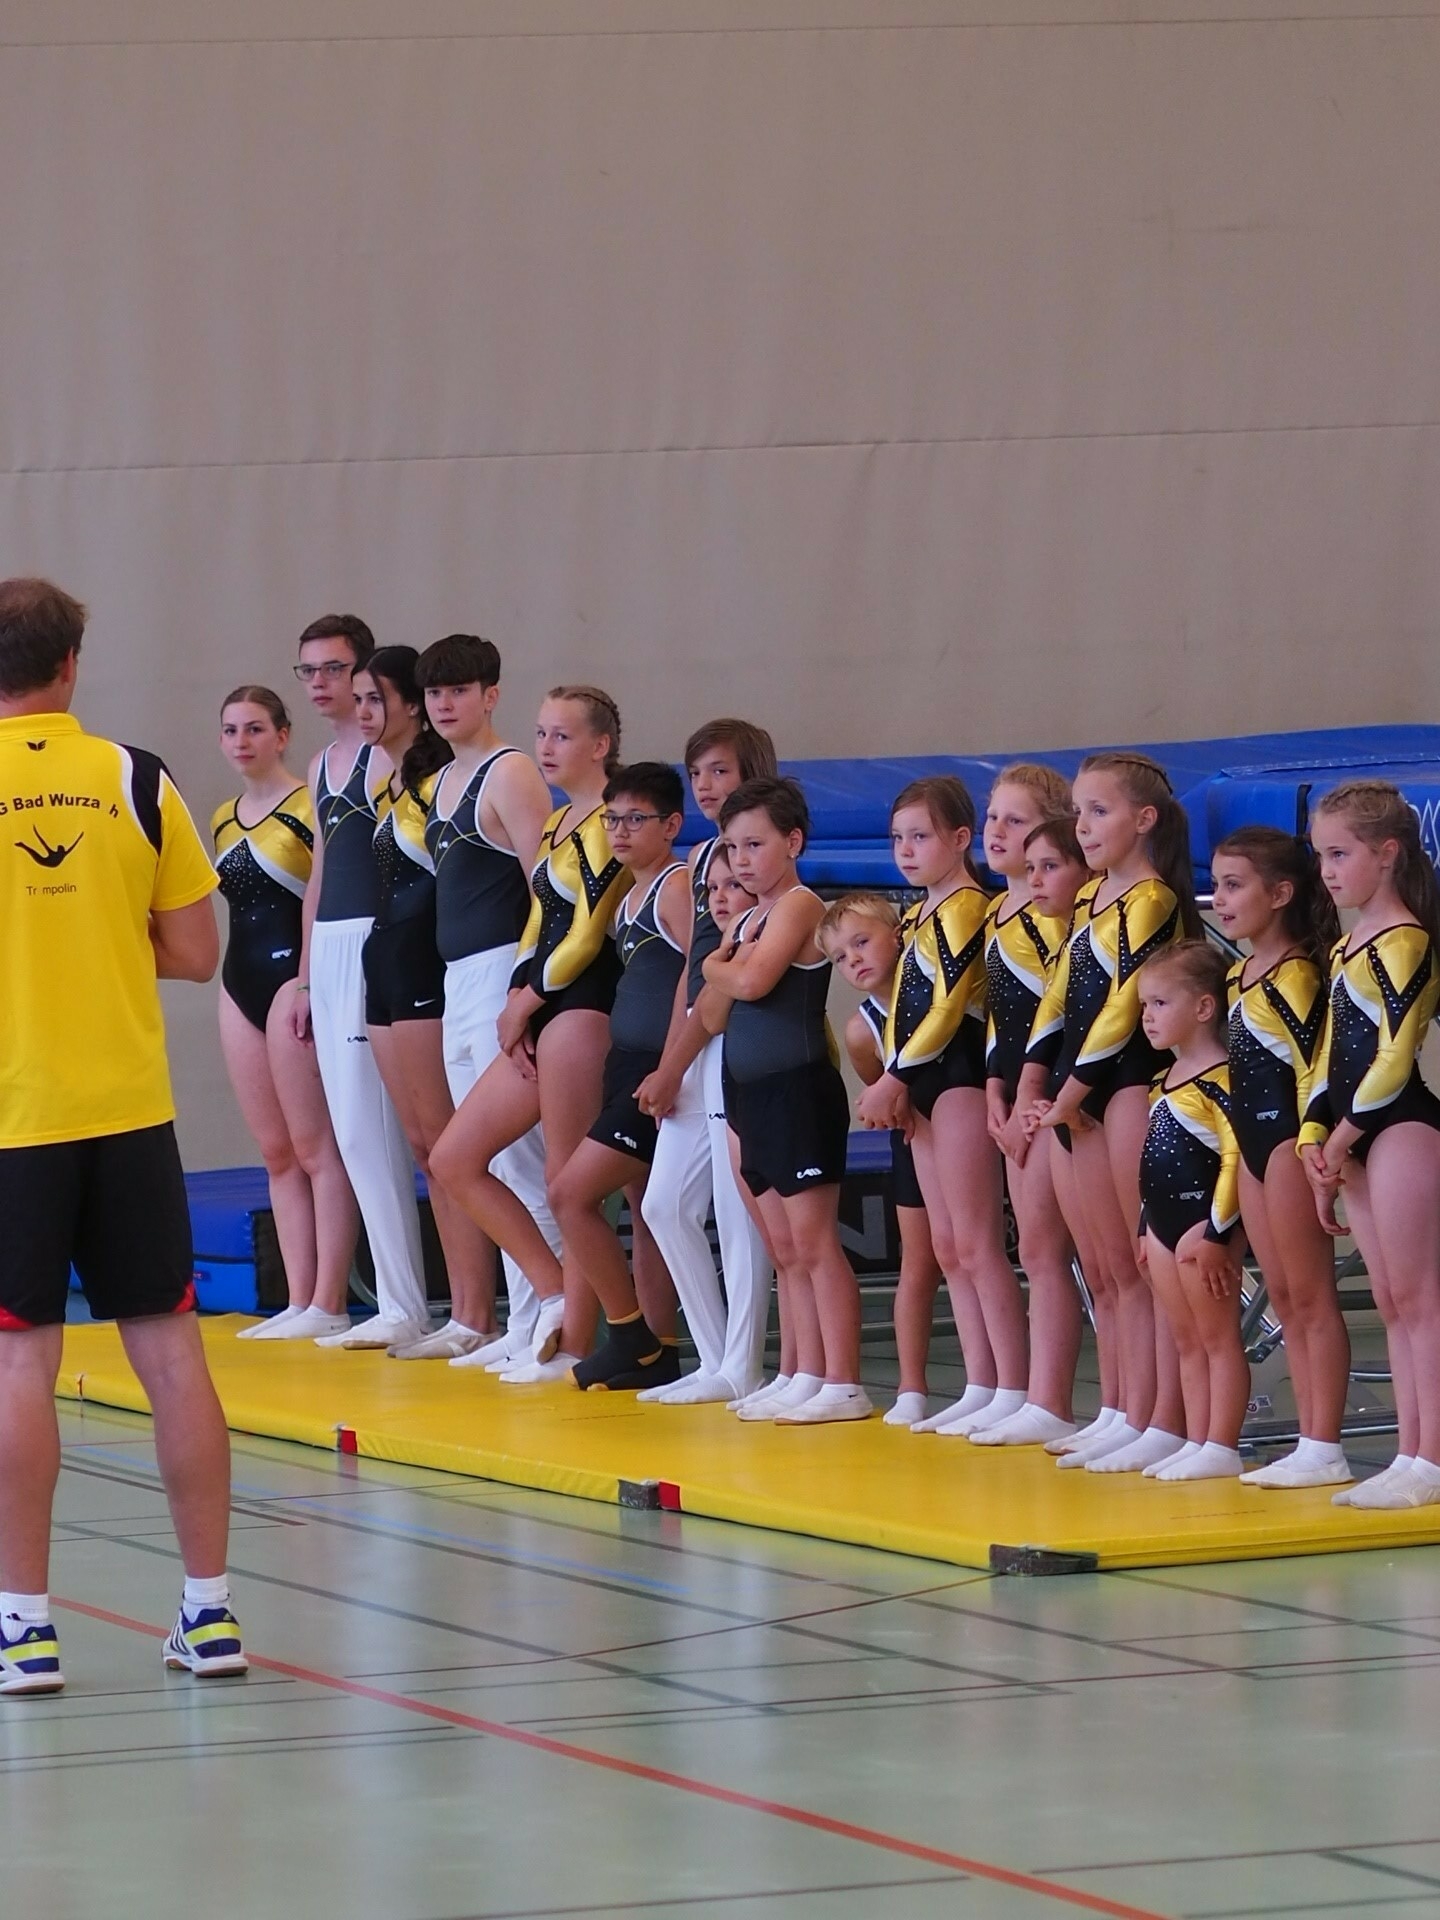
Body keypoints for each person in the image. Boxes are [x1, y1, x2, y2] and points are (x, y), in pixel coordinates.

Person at [0, 577, 246, 1695]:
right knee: (172, 1354)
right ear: (71, 665)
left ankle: (25, 1628)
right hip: (129, 1115)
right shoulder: (138, 779)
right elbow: (195, 953)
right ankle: (211, 1613)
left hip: (17, 1120)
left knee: (20, 1361)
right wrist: (102, 932)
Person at [429, 686, 631, 1383]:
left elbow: (589, 929)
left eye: (562, 736)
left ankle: (574, 1343)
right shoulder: (556, 824)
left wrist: (531, 998)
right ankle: (552, 1296)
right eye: (541, 733)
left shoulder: (610, 822)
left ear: (600, 745)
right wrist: (520, 989)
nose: (545, 747)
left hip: (584, 1006)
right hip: (541, 1002)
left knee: (564, 1182)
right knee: (455, 1159)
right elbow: (537, 920)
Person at [1020, 752, 1201, 1474]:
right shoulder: (1095, 896)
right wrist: (1036, 1078)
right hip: (1076, 1091)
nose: (1083, 826)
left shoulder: (1152, 898)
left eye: (1099, 811)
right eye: (1078, 811)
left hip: (1123, 1084)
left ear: (1144, 819)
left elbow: (1124, 1004)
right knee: (1100, 1266)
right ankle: (1120, 1410)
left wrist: (1070, 1092)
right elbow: (1059, 993)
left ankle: (1164, 1418)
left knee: (1140, 1264)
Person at [856, 778, 1025, 1438]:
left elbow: (950, 1004)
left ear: (959, 839)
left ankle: (1013, 1385)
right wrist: (898, 1076)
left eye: (920, 836)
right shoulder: (917, 915)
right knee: (948, 1246)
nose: (906, 849)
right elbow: (902, 1009)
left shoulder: (965, 907)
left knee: (978, 1242)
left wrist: (895, 1074)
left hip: (955, 1076)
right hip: (922, 1081)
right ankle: (981, 1383)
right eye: (897, 838)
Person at [705, 778, 871, 1425]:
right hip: (748, 1092)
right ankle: (800, 1371)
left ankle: (844, 1380)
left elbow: (747, 982)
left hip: (797, 1088)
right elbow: (713, 1014)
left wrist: (717, 965)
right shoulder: (747, 918)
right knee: (783, 1247)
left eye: (755, 845)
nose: (741, 860)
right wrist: (726, 968)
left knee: (814, 1242)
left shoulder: (799, 906)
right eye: (732, 847)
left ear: (793, 842)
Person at [415, 635, 559, 1373]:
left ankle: (558, 1321)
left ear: (491, 695)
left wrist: (528, 992)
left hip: (502, 972)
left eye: (459, 691)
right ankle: (526, 1318)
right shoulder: (442, 781)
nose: (445, 704)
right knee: (491, 1166)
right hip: (458, 981)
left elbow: (547, 889)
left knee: (521, 1163)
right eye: (435, 693)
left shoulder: (511, 772)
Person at [352, 646, 499, 1360]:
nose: (362, 713)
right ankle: (460, 1311)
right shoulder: (395, 785)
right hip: (383, 964)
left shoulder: (446, 785)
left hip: (426, 968)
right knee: (423, 1148)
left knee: (448, 1146)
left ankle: (477, 1312)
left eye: (375, 699)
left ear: (410, 705)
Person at [291, 615, 430, 1349]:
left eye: (333, 669)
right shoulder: (321, 764)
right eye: (307, 671)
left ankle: (412, 1303)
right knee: (353, 1130)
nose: (319, 683)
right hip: (333, 945)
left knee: (394, 1129)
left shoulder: (393, 762)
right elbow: (320, 870)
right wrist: (307, 976)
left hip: (384, 938)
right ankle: (394, 1299)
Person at [1300, 781, 1440, 1511]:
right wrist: (1313, 1136)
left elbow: (1395, 1052)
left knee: (1421, 1299)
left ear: (1387, 854)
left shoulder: (1406, 939)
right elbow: (1327, 1056)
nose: (1327, 871)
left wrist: (1345, 1134)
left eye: (1340, 854)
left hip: (1402, 1128)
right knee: (1389, 1300)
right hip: (1351, 1136)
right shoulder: (1345, 946)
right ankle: (1409, 1453)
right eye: (1321, 856)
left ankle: (1432, 1458)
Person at [635, 719, 778, 1406]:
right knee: (664, 1203)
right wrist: (672, 1061)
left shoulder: (758, 863)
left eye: (720, 771)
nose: (705, 786)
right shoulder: (699, 859)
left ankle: (741, 1364)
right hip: (695, 1038)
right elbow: (694, 967)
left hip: (735, 1038)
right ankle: (714, 1354)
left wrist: (678, 1062)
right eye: (696, 774)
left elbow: (731, 977)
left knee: (736, 1207)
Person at [212, 686, 357, 1340]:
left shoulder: (308, 804)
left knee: (314, 1146)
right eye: (231, 730)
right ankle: (297, 1300)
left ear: (283, 735)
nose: (241, 741)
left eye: (254, 728)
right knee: (275, 1152)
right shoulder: (223, 817)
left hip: (292, 980)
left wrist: (306, 981)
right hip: (239, 981)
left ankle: (329, 1299)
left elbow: (321, 896)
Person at [1211, 828, 1351, 1489]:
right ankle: (1309, 1440)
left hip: (1292, 1145)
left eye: (1234, 886)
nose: (1219, 898)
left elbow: (1313, 1070)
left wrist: (1312, 1146)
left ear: (1281, 893)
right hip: (1253, 1149)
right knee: (1286, 1296)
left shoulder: (1297, 975)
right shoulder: (1238, 974)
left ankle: (1326, 1444)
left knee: (1311, 1296)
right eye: (1217, 885)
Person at [548, 764, 691, 1389]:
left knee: (570, 1195)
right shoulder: (631, 894)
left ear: (671, 826)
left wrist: (672, 1067)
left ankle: (630, 1334)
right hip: (627, 1065)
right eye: (612, 820)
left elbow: (698, 976)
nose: (621, 831)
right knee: (641, 1207)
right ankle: (657, 1348)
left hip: (654, 1073)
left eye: (636, 819)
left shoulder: (675, 887)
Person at [972, 767, 1085, 1447]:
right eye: (993, 818)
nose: (996, 831)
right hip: (1014, 1093)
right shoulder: (997, 912)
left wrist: (1029, 1099)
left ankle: (1050, 1400)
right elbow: (1000, 1016)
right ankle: (1033, 1396)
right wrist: (995, 1089)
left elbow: (1058, 1013)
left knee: (1047, 1249)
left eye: (1014, 821)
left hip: (1049, 1096)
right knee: (1035, 1250)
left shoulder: (1053, 920)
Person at [819, 895, 942, 1427]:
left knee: (970, 1257)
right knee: (919, 1261)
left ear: (898, 934)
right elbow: (881, 1093)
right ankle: (911, 1385)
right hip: (914, 1138)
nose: (854, 960)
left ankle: (997, 1384)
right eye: (840, 957)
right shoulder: (860, 1028)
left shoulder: (941, 993)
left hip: (960, 1129)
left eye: (862, 942)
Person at [1134, 942, 1248, 1481]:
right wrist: (1144, 1226)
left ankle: (1221, 1443)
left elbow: (1235, 1156)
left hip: (1205, 1223)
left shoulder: (1221, 1077)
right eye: (1144, 1005)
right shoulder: (1165, 1080)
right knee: (1186, 1340)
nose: (1147, 1016)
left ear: (1204, 1007)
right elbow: (1150, 1164)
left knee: (1217, 1339)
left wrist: (1218, 1233)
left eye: (1160, 1004)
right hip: (1162, 1225)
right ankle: (1197, 1439)